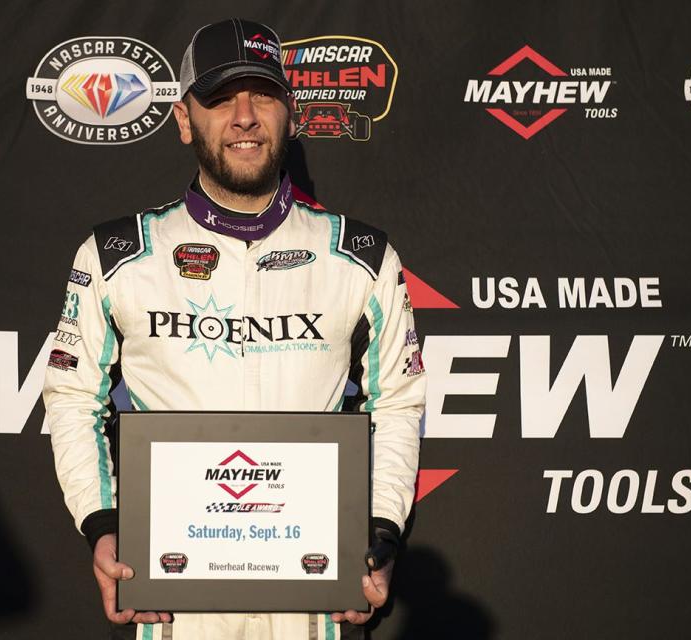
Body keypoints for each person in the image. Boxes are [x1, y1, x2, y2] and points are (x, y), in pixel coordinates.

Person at [43, 18, 425, 640]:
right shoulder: (117, 256)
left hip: (310, 595)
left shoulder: (360, 256)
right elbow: (70, 395)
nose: (245, 116)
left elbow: (399, 403)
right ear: (185, 119)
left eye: (264, 95)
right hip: (171, 594)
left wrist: (378, 532)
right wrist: (103, 521)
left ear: (291, 114)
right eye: (220, 98)